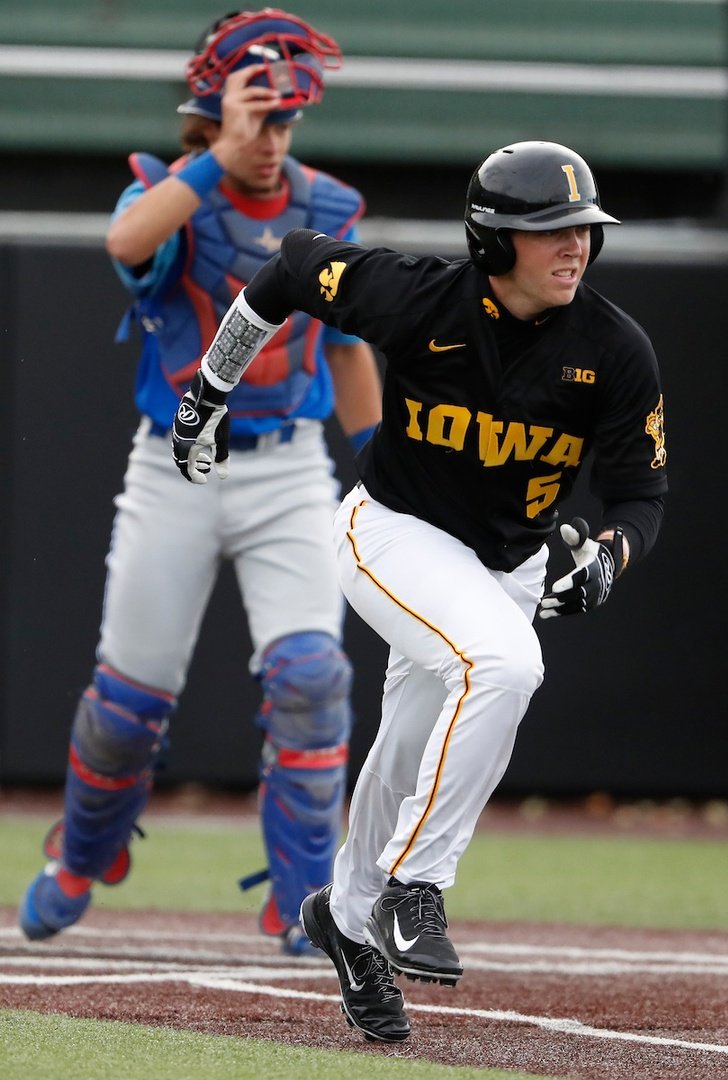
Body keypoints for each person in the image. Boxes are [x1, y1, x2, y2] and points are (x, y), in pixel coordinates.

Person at [170, 140, 668, 1038]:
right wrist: (210, 387)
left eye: (583, 229)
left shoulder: (613, 347)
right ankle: (417, 886)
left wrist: (609, 557)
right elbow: (287, 267)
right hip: (392, 533)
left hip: (502, 566)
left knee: (409, 745)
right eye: (548, 230)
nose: (574, 247)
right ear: (489, 239)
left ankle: (347, 916)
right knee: (506, 669)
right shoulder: (416, 296)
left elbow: (639, 494)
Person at [18, 9, 382, 957]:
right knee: (127, 707)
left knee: (312, 680)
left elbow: (344, 350)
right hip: (176, 462)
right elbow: (125, 242)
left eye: (282, 121)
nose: (271, 140)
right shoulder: (174, 190)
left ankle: (310, 905)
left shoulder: (329, 208)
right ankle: (80, 858)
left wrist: (381, 464)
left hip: (289, 468)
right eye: (255, 116)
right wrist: (217, 150)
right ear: (214, 110)